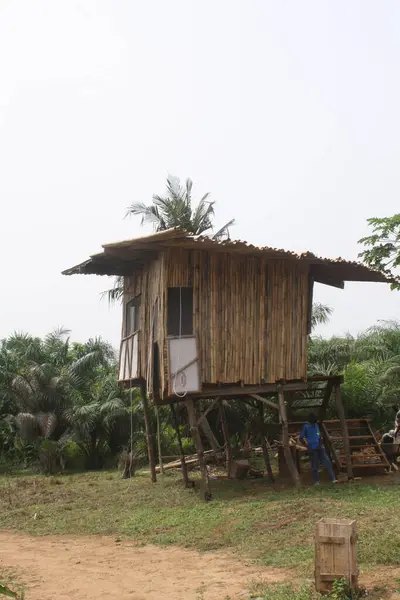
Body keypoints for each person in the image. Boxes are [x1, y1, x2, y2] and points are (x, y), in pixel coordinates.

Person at [300, 413, 337, 485]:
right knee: (314, 465)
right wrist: (307, 446)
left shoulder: (316, 426)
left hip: (319, 447)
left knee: (327, 462)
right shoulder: (306, 427)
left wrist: (320, 444)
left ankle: (333, 479)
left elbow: (319, 436)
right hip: (312, 448)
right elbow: (301, 438)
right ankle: (316, 481)